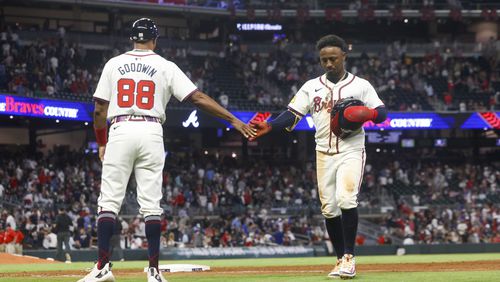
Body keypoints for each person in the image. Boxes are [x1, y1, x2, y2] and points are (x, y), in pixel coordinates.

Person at [79, 18, 255, 282]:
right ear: (155, 40)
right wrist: (233, 119)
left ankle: (102, 267)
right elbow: (197, 97)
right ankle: (153, 271)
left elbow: (99, 110)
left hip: (120, 128)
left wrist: (101, 141)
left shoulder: (113, 64)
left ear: (132, 39)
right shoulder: (165, 65)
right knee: (151, 205)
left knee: (109, 202)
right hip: (151, 130)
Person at [249, 34, 387, 279]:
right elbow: (292, 114)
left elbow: (381, 112)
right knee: (329, 209)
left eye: (333, 58)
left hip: (351, 148)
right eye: (324, 60)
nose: (329, 63)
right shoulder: (311, 86)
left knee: (346, 199)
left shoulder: (361, 85)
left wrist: (366, 113)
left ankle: (349, 258)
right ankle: (338, 259)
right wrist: (270, 126)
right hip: (323, 151)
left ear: (344, 55)